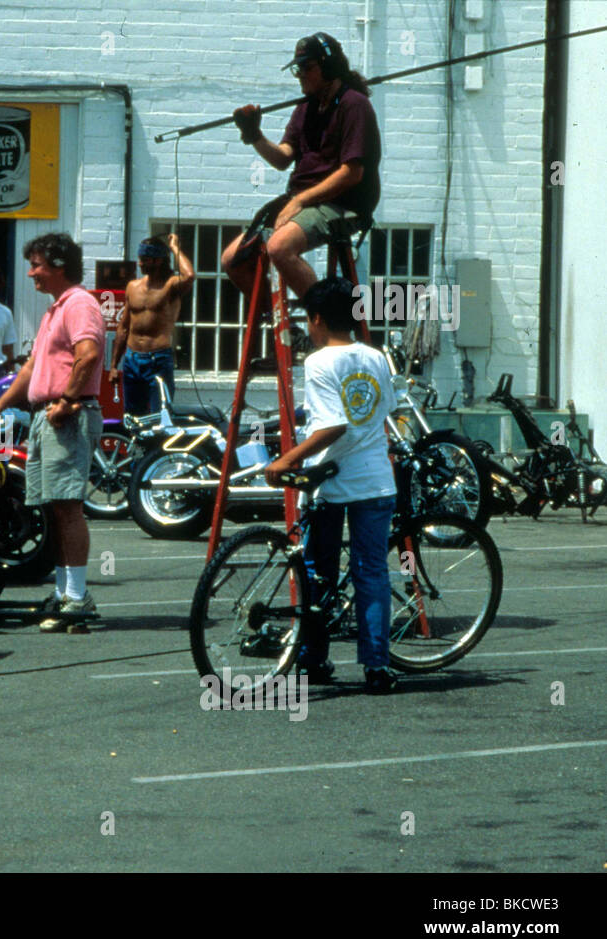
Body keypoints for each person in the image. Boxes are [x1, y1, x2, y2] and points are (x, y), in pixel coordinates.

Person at [264, 277, 397, 694]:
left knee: (317, 573)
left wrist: (288, 458)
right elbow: (382, 412)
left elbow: (334, 424)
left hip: (331, 481)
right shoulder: (375, 357)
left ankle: (314, 658)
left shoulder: (319, 362)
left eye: (308, 318)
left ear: (318, 318)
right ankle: (377, 668)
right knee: (371, 572)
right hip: (376, 480)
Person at [0, 233, 104, 633]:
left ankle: (78, 598)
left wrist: (67, 401)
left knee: (67, 507)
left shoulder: (80, 304)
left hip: (65, 416)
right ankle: (67, 593)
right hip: (45, 416)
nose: (31, 272)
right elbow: (32, 368)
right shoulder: (56, 310)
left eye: (37, 265)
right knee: (53, 507)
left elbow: (90, 353)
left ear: (59, 265)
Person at [221, 32, 382, 302]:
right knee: (232, 260)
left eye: (308, 68)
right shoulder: (306, 108)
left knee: (280, 247)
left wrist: (299, 201)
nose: (300, 75)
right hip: (305, 199)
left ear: (328, 67)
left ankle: (326, 319)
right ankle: (290, 332)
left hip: (343, 203)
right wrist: (254, 135)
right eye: (298, 68)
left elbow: (351, 173)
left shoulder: (355, 105)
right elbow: (283, 157)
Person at [108, 234, 194, 415]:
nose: (139, 264)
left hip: (158, 360)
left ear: (158, 261)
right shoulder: (133, 286)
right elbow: (124, 327)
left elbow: (190, 275)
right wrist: (114, 365)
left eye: (144, 260)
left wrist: (174, 247)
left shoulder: (171, 285)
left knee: (160, 418)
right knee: (133, 418)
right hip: (131, 360)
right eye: (140, 259)